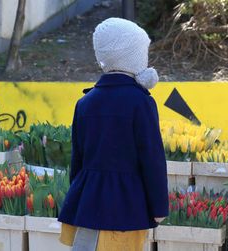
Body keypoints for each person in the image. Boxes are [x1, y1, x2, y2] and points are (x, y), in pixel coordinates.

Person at [57, 17, 169, 251]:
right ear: (132, 56)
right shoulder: (141, 102)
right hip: (125, 207)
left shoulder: (84, 102)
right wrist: (159, 207)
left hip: (87, 203)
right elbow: (152, 159)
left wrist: (79, 196)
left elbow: (77, 160)